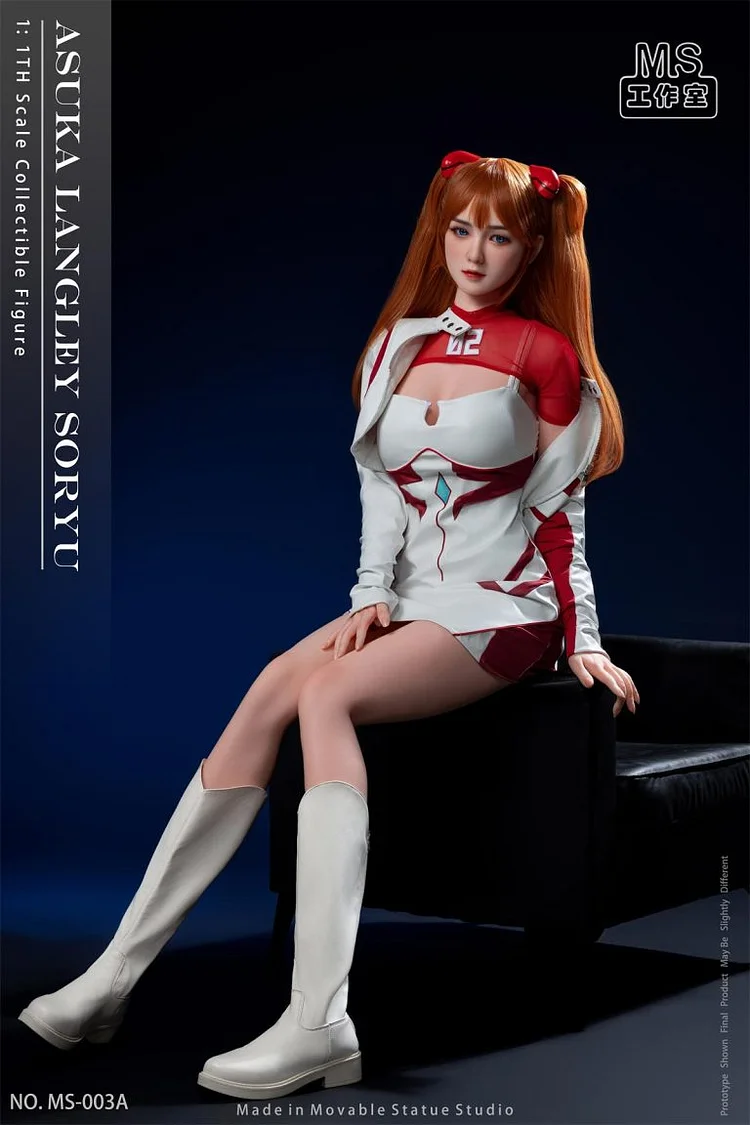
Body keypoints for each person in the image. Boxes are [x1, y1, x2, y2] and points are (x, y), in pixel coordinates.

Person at [19, 149, 639, 1100]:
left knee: (329, 695)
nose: (475, 253)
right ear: (439, 233)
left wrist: (584, 636)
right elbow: (380, 486)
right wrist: (369, 591)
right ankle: (112, 979)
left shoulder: (544, 355)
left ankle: (319, 1020)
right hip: (414, 601)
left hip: (504, 608)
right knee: (273, 683)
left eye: (500, 236)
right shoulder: (398, 345)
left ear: (532, 249)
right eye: (460, 229)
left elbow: (561, 515)